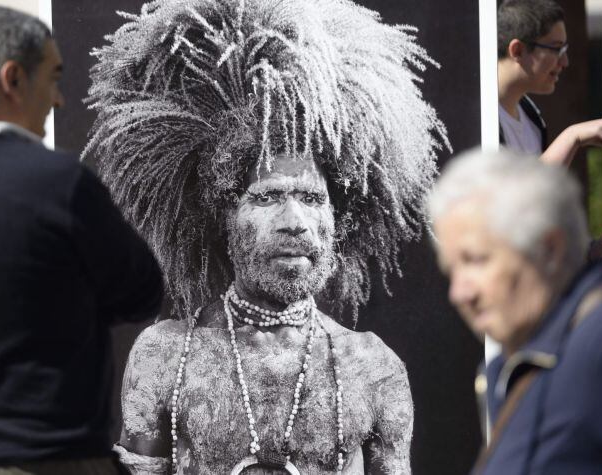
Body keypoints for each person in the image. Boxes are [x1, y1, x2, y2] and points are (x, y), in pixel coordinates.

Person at [84, 0, 449, 472]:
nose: (295, 221)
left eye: (313, 199)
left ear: (341, 219)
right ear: (224, 215)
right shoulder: (165, 354)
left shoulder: (372, 368)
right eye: (267, 197)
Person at [0, 7, 164, 474]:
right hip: (48, 462)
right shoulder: (58, 185)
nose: (59, 99)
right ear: (12, 79)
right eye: (53, 78)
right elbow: (142, 292)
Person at [428, 149, 602, 475]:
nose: (459, 293)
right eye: (451, 271)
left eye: (476, 261)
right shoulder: (506, 369)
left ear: (549, 249)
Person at [497, 0, 602, 269]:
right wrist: (572, 136)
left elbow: (534, 217)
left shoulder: (531, 117)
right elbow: (513, 201)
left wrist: (588, 250)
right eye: (556, 49)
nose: (565, 62)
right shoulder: (480, 118)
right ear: (517, 50)